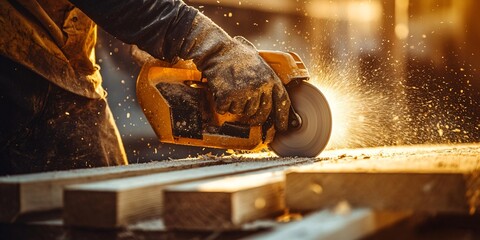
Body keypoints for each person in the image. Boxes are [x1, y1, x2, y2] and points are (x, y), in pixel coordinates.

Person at [0, 0, 291, 175]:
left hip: (63, 56)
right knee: (82, 209)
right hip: (15, 59)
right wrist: (207, 43)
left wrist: (158, 37)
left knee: (109, 188)